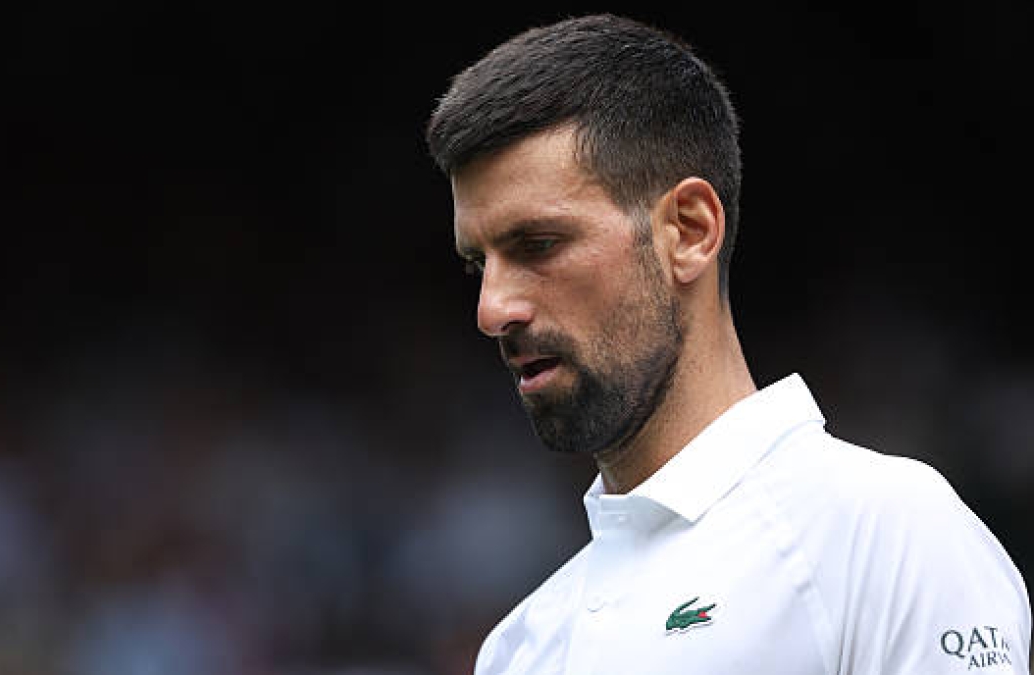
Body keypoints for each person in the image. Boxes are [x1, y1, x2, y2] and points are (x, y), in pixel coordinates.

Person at [425, 14, 1031, 674]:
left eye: (538, 245)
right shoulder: (520, 647)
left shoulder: (886, 532)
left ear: (688, 231)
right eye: (477, 264)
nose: (492, 309)